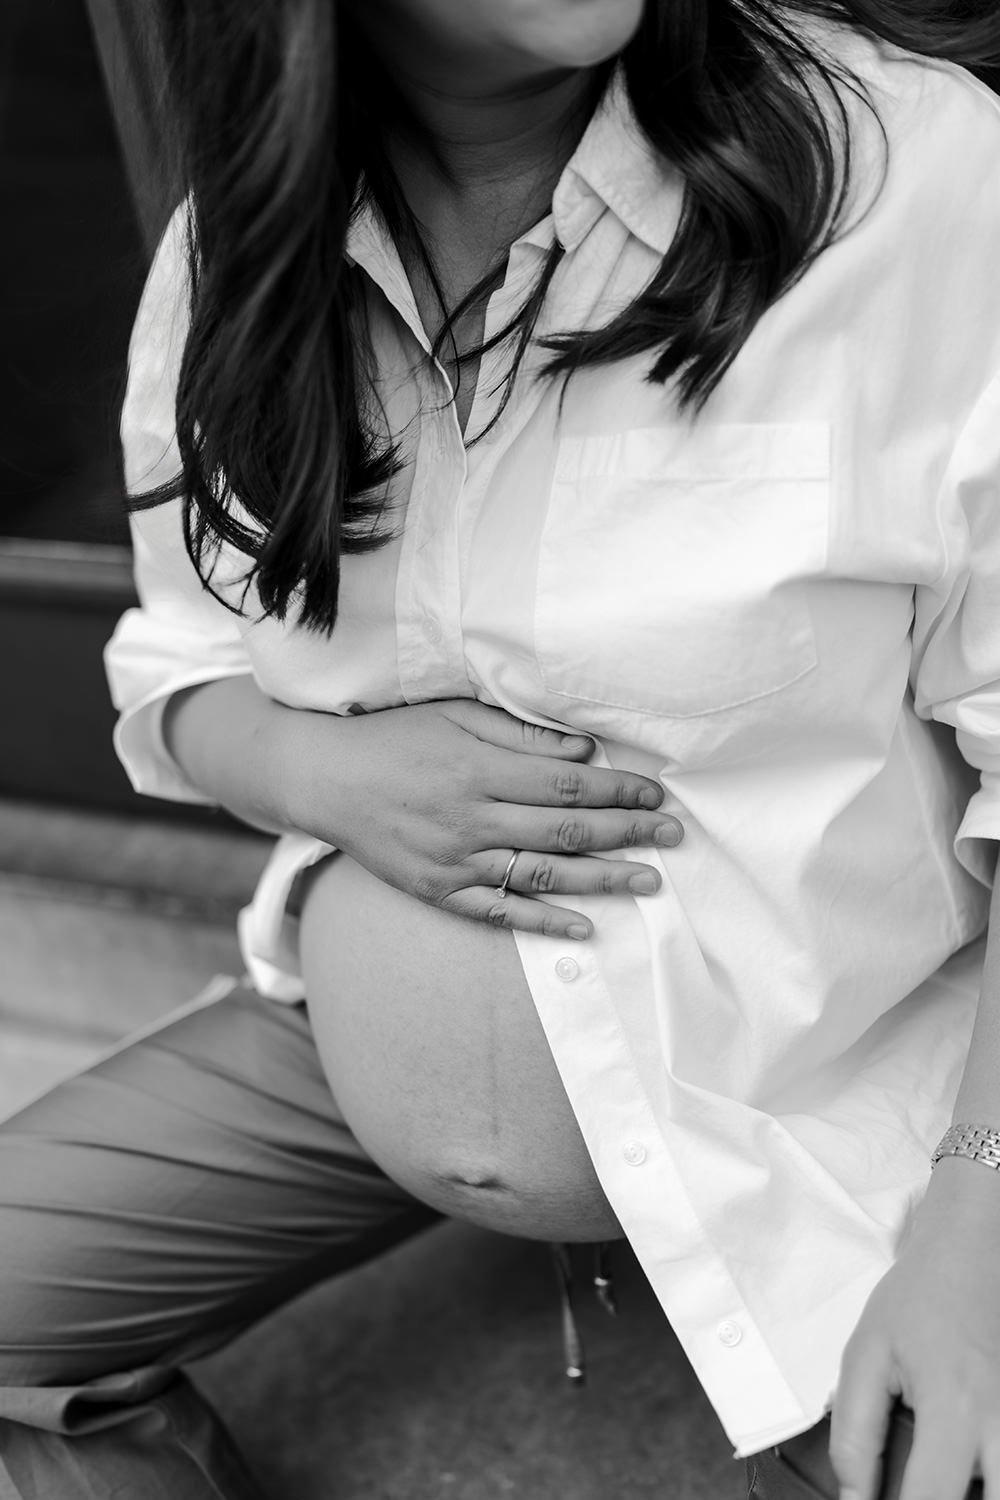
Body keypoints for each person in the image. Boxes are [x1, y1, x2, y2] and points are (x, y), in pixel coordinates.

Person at [2, 1, 1000, 1495]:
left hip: (842, 1087)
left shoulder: (912, 171)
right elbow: (177, 663)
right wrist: (318, 772)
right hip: (334, 1051)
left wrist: (977, 1218)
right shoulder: (239, 250)